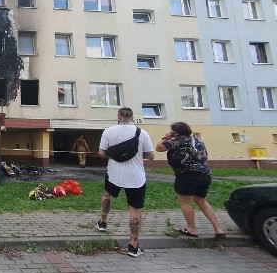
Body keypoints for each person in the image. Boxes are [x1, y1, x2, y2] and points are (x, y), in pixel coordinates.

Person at [95, 107, 154, 258]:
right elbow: (151, 155)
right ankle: (133, 246)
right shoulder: (142, 133)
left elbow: (101, 153)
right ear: (132, 117)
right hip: (136, 177)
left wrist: (116, 153)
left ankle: (102, 223)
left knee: (107, 195)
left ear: (118, 116)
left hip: (114, 174)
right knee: (134, 210)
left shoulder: (108, 131)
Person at [155, 122, 226, 239]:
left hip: (187, 175)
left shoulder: (177, 140)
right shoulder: (198, 141)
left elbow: (159, 147)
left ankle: (192, 229)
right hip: (205, 175)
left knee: (185, 201)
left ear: (174, 132)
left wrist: (165, 137)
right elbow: (205, 157)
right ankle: (218, 229)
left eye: (171, 130)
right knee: (202, 201)